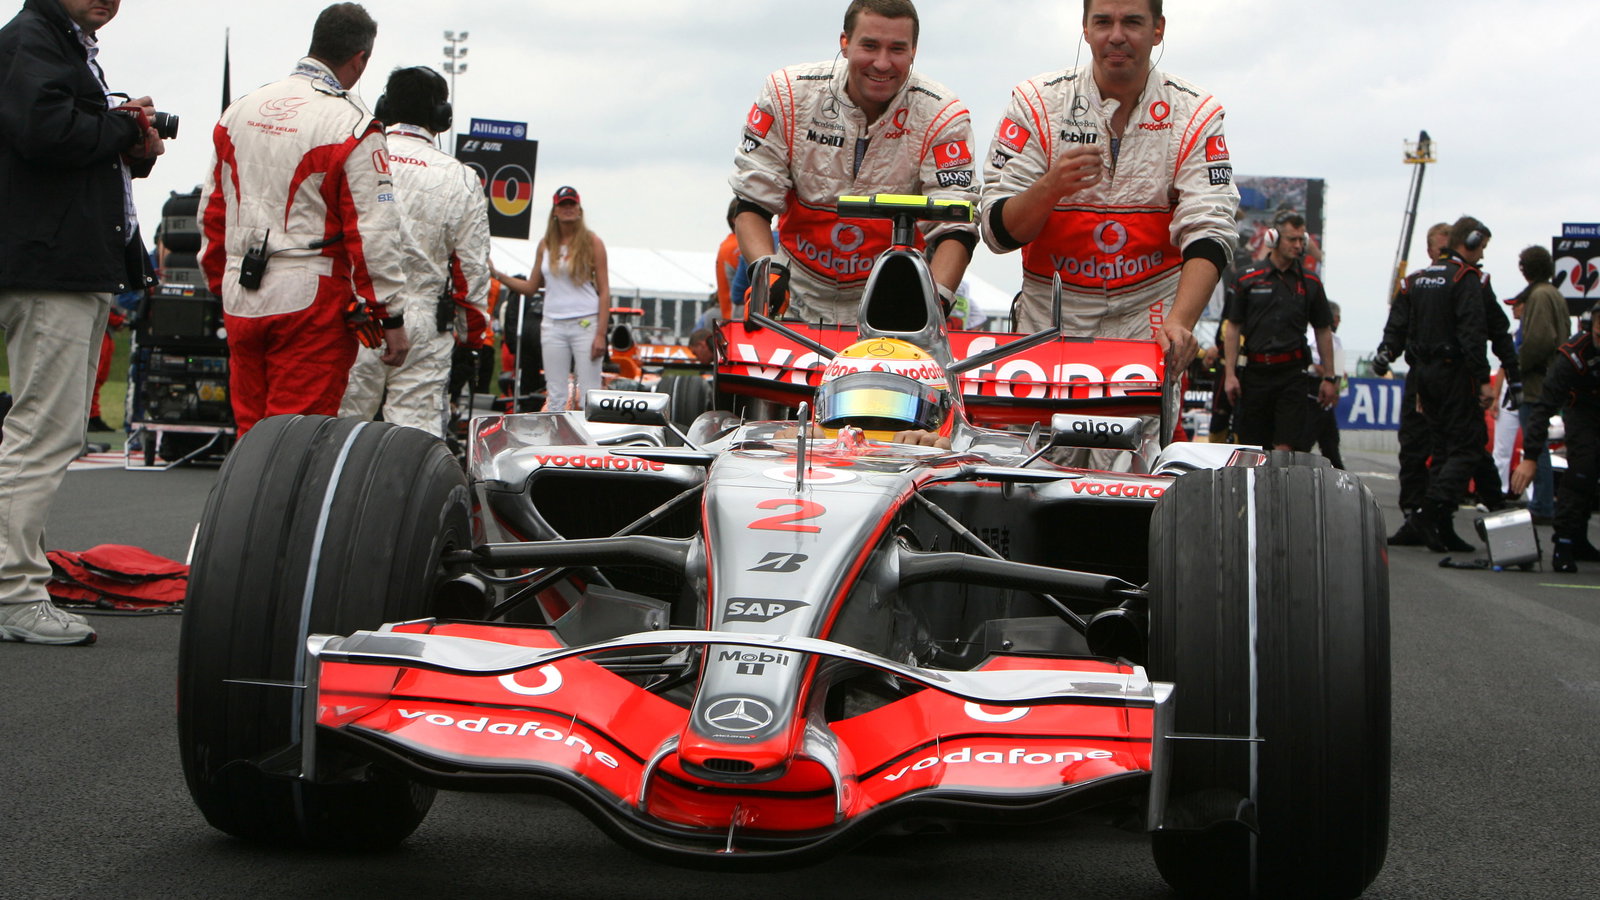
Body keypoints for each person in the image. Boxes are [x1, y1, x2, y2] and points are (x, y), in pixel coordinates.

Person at [0, 0, 165, 645]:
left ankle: (18, 580)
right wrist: (123, 128)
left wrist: (129, 141)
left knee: (40, 429)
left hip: (64, 263)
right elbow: (43, 131)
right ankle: (14, 592)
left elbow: (61, 141)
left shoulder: (53, 41)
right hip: (52, 269)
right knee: (43, 432)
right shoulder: (35, 39)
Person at [978, 0, 1238, 378]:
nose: (1117, 36)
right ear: (1085, 29)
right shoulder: (1036, 103)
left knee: (1140, 438)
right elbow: (995, 233)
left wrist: (1180, 322)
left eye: (1132, 22)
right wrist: (1050, 188)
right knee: (1037, 437)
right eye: (1103, 22)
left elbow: (1211, 229)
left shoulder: (1197, 114)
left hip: (1149, 331)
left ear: (1158, 29)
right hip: (1047, 328)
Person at [200, 2, 410, 436]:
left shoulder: (239, 110)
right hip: (310, 301)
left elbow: (212, 212)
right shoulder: (354, 124)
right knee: (292, 444)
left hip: (242, 293)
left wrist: (221, 283)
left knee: (250, 438)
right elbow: (373, 233)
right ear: (360, 59)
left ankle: (244, 506)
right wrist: (388, 317)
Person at [729, 0, 979, 324]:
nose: (882, 63)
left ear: (914, 51)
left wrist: (934, 303)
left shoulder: (943, 115)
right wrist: (767, 272)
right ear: (844, 43)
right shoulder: (787, 94)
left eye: (897, 49)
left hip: (890, 300)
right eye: (870, 46)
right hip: (797, 294)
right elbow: (751, 204)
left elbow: (957, 226)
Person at [339, 66, 489, 437]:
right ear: (442, 117)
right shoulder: (461, 177)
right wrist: (471, 341)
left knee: (337, 434)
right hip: (424, 321)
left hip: (360, 316)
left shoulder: (357, 157)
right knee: (412, 442)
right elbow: (471, 275)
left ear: (384, 107)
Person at [1374, 216, 1494, 552]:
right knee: (1420, 446)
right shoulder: (1421, 282)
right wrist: (1386, 352)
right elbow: (1397, 326)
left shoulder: (1467, 280)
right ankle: (1419, 516)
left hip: (1441, 372)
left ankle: (1436, 519)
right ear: (1432, 250)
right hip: (1434, 374)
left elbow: (1489, 326)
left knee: (1450, 447)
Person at [1221, 215, 1338, 451]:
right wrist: (1230, 374)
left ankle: (1278, 487)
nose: (1298, 245)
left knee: (1285, 448)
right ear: (1273, 239)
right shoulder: (1246, 278)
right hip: (1254, 374)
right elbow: (1232, 327)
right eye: (1291, 239)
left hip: (1292, 375)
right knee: (1252, 448)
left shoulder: (1311, 282)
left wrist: (1329, 377)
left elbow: (1324, 330)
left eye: (1301, 240)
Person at [491, 187, 611, 412]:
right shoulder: (545, 244)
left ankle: (591, 442)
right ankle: (557, 442)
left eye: (571, 204)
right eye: (563, 205)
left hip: (585, 322)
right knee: (555, 393)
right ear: (555, 210)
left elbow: (604, 290)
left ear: (579, 209)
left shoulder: (593, 242)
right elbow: (530, 287)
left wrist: (601, 334)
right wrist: (498, 274)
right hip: (552, 324)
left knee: (589, 392)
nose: (568, 209)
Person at [1513, 310, 1600, 571]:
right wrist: (1530, 458)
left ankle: (1580, 540)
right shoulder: (1573, 356)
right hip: (1584, 413)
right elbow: (1543, 407)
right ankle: (1564, 542)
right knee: (1583, 469)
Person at [1511, 245, 1571, 521]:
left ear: (1525, 270)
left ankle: (1541, 504)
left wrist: (1519, 366)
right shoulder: (1555, 294)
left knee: (1535, 447)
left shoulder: (1539, 296)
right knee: (1540, 444)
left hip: (1537, 382)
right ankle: (1543, 501)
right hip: (1552, 377)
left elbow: (1539, 340)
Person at [811, 337, 953, 448]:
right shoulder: (805, 440)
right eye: (859, 419)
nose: (872, 436)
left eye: (894, 421)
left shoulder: (959, 451)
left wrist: (940, 460)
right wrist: (791, 448)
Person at [1307, 300, 1346, 468]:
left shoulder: (1336, 340)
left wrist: (1336, 389)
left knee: (1331, 445)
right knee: (1304, 441)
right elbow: (1312, 365)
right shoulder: (1311, 336)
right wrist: (1328, 374)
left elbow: (1340, 371)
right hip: (1312, 394)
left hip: (1327, 400)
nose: (1338, 322)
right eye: (1336, 318)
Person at [714, 200, 742, 322]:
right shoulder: (738, 246)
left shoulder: (728, 245)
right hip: (739, 321)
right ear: (735, 220)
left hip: (730, 318)